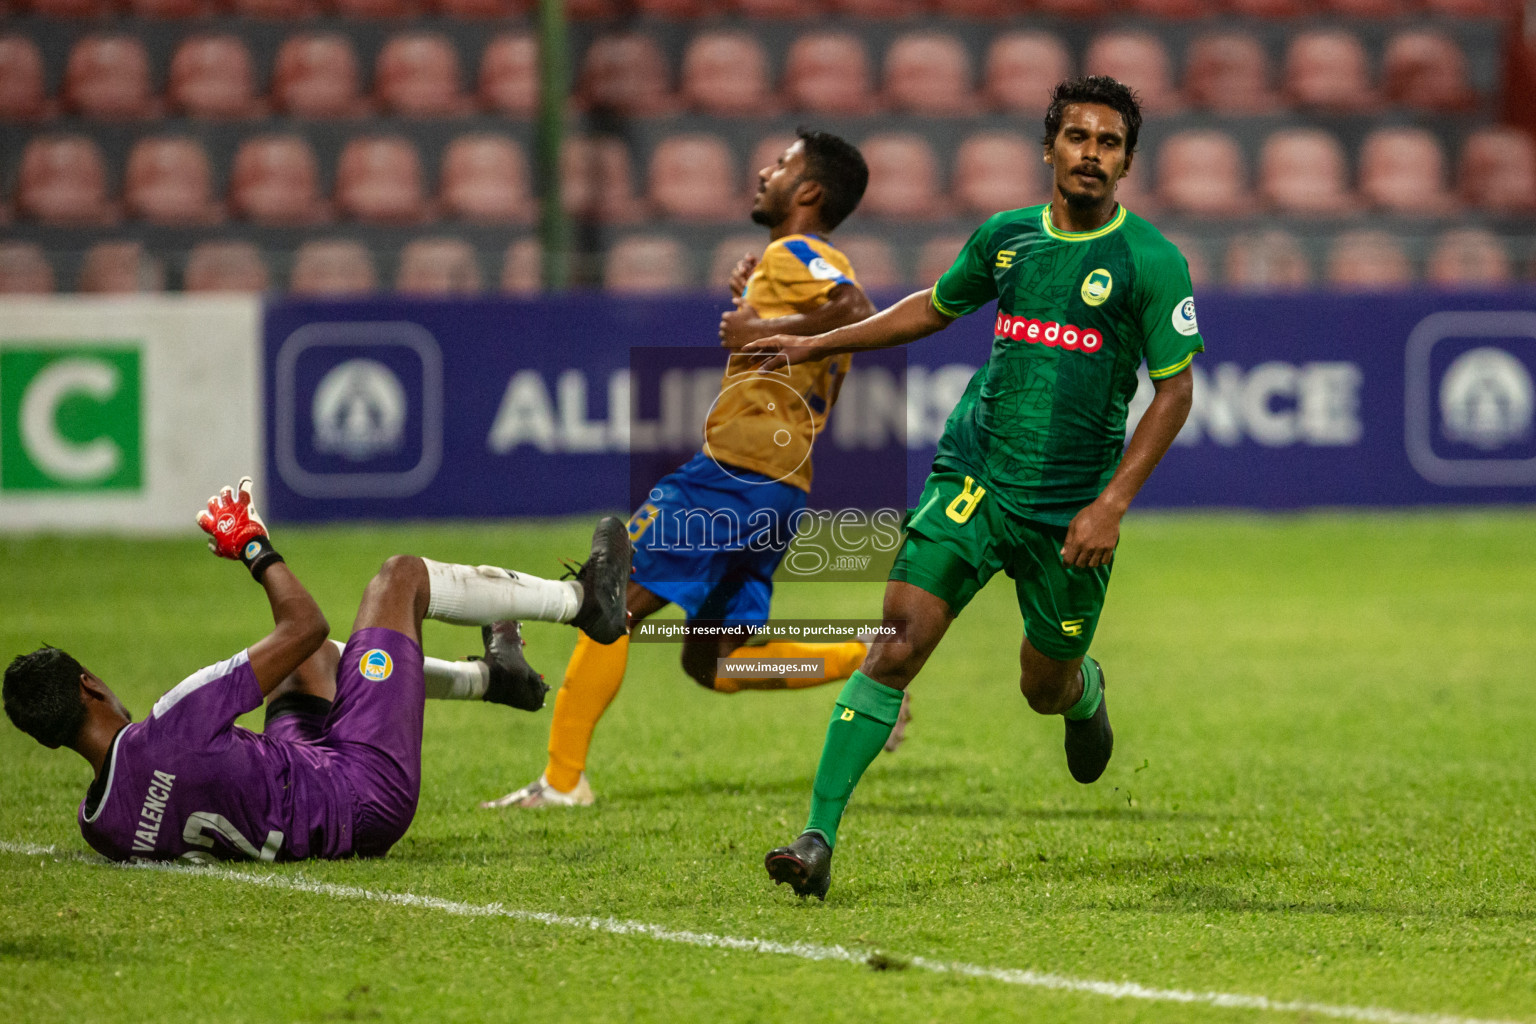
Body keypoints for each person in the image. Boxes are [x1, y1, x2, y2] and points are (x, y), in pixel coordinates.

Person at [741, 77, 1202, 899]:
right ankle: (816, 837)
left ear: (1127, 162)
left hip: (1069, 513)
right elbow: (932, 308)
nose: (1090, 154)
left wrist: (1111, 504)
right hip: (975, 479)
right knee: (898, 643)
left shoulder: (1152, 262)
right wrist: (818, 342)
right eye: (1077, 137)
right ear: (1050, 147)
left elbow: (1174, 391)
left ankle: (1082, 689)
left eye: (1108, 143)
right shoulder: (1007, 239)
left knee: (1041, 684)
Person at [484, 128, 908, 810]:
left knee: (609, 604)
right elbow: (826, 312)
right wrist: (764, 307)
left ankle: (562, 781)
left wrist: (776, 324)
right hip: (780, 488)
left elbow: (859, 309)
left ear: (808, 191)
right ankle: (862, 658)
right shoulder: (789, 261)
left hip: (731, 475)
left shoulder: (804, 251)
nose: (763, 171)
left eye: (781, 164)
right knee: (714, 661)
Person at [1, 478, 629, 862]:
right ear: (91, 684)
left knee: (303, 670)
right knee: (399, 577)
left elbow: (305, 655)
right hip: (362, 791)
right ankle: (583, 604)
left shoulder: (99, 827)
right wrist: (251, 545)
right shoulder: (168, 725)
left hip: (304, 808)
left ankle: (495, 679)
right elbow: (305, 626)